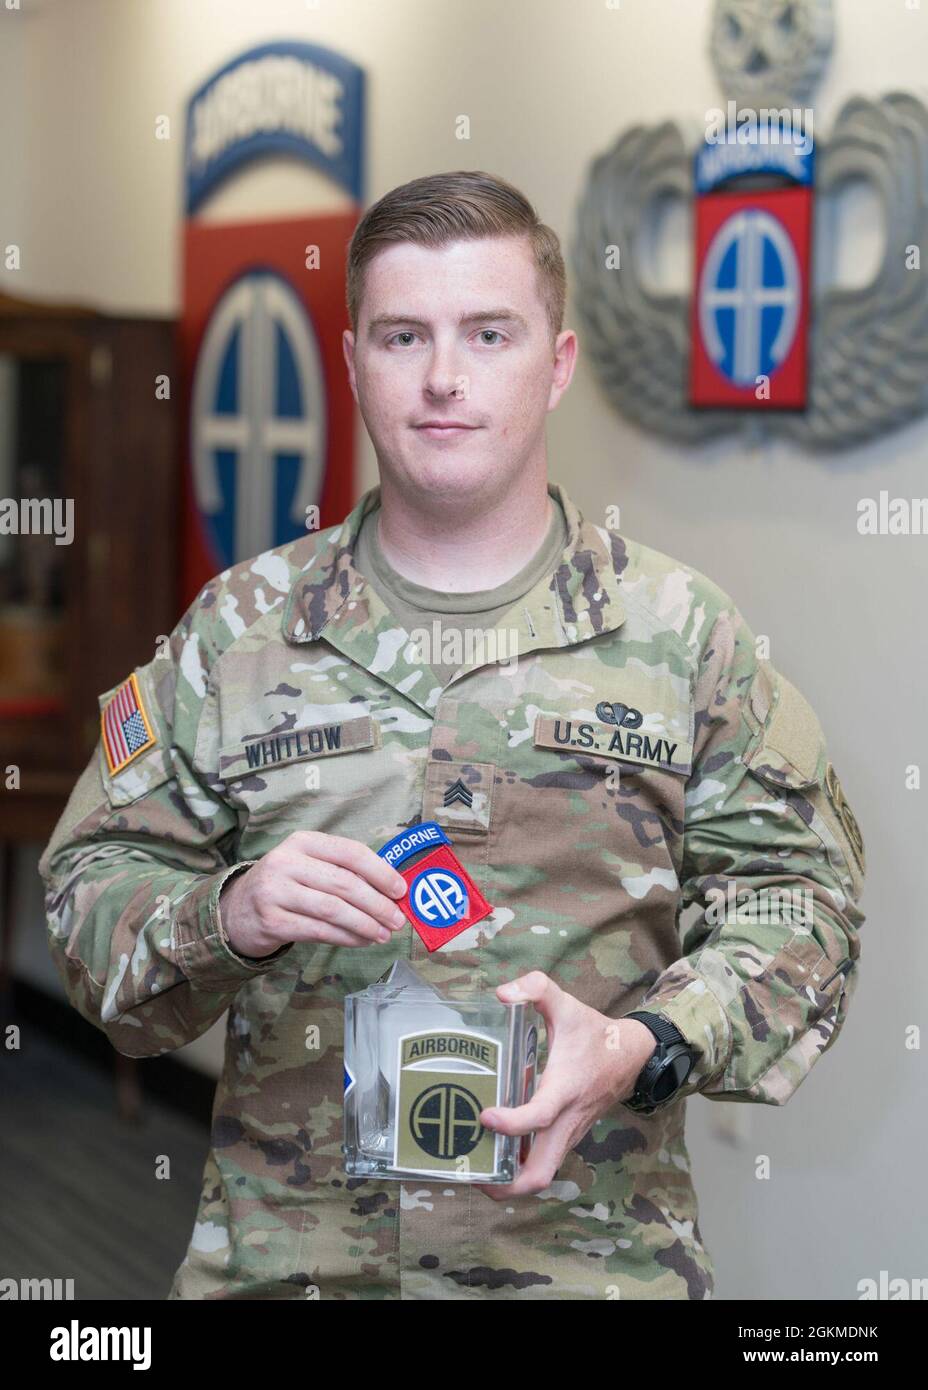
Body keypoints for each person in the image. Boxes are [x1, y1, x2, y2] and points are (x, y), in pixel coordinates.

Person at [39, 169, 866, 1301]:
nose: (442, 378)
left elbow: (800, 904)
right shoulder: (235, 632)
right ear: (350, 362)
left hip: (588, 1266)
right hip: (291, 1267)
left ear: (557, 363)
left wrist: (645, 1042)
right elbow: (89, 889)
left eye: (488, 332)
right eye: (400, 335)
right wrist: (223, 914)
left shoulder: (684, 641)